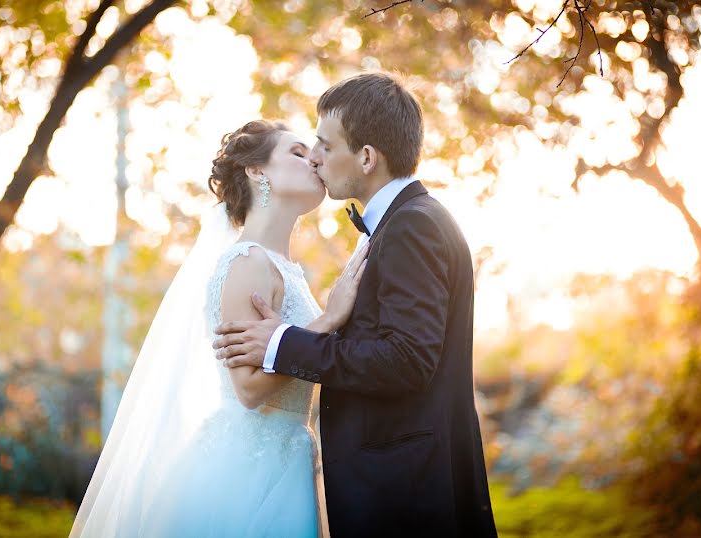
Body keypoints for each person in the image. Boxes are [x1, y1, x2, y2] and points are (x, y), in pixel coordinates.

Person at [214, 73, 499, 537]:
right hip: (398, 485)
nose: (316, 158)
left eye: (325, 145)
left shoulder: (412, 227)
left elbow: (406, 359)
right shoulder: (408, 222)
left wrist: (286, 343)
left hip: (404, 493)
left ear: (366, 157)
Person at [70, 120, 367, 537]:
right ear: (257, 171)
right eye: (297, 153)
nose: (314, 159)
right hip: (245, 469)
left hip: (287, 458)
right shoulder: (247, 262)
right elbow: (247, 390)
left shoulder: (286, 270)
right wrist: (329, 320)